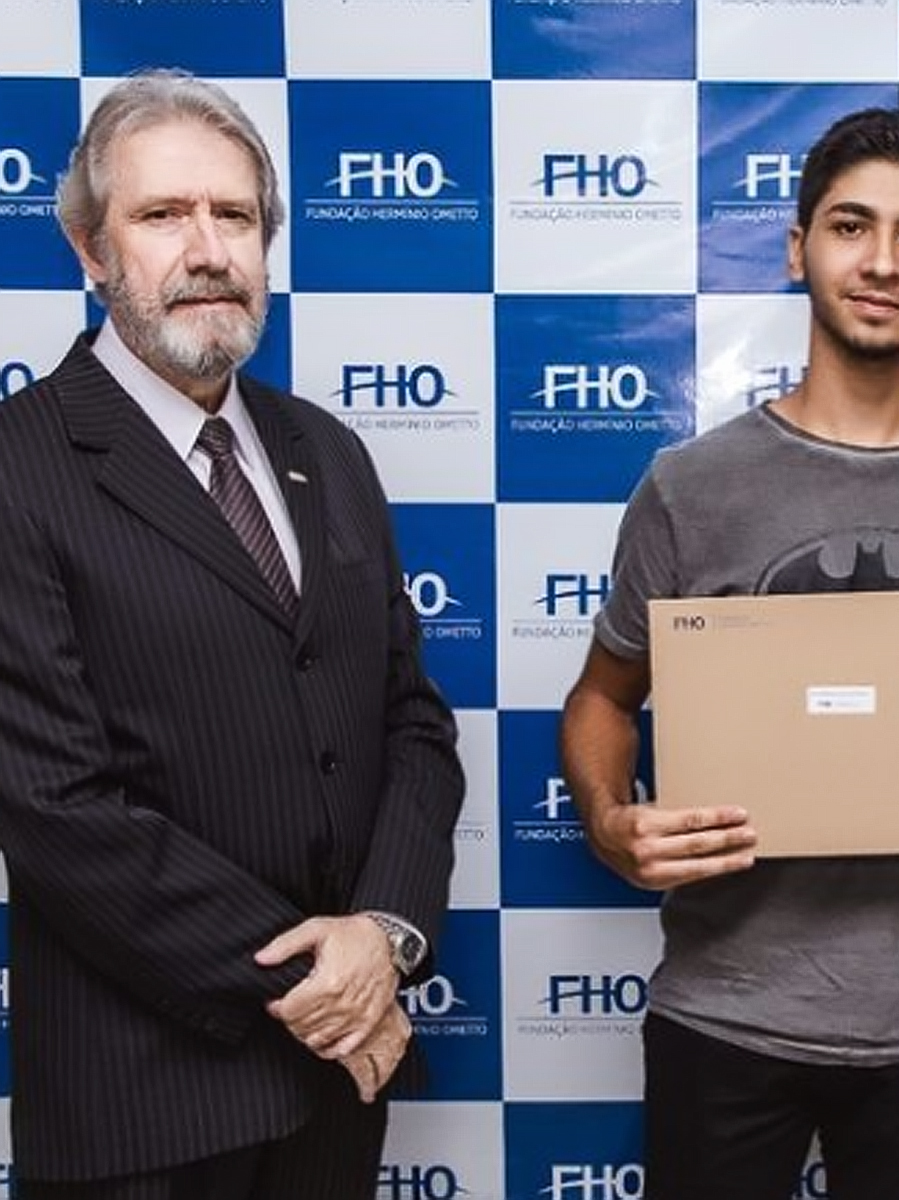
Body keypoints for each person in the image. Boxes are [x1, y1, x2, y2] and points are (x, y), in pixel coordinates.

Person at [558, 107, 899, 1200]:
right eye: (851, 226)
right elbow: (602, 697)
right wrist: (609, 822)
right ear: (799, 249)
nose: (882, 262)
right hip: (723, 1010)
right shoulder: (690, 488)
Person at [0, 68, 464, 1198]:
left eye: (236, 216)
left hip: (332, 1095)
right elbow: (57, 806)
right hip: (143, 1108)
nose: (208, 250)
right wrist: (321, 985)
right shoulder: (19, 463)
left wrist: (384, 933)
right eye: (163, 215)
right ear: (90, 249)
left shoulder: (329, 452)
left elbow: (410, 721)